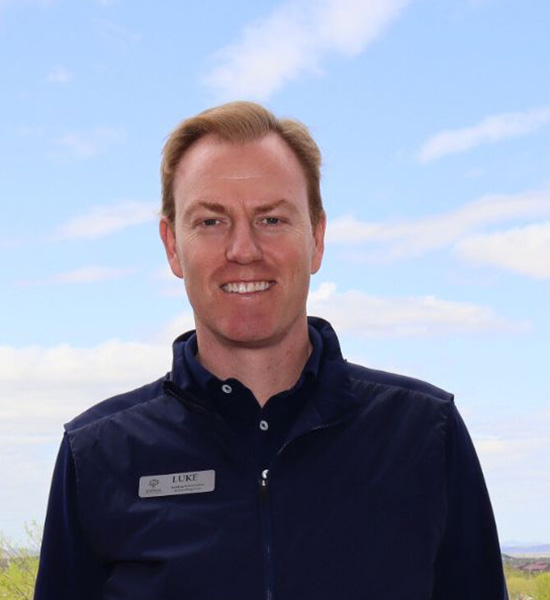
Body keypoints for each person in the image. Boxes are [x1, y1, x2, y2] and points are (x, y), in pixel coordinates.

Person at [34, 101, 508, 599]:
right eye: (211, 221)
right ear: (172, 245)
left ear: (316, 238)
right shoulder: (98, 454)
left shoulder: (425, 434)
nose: (243, 250)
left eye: (273, 219)